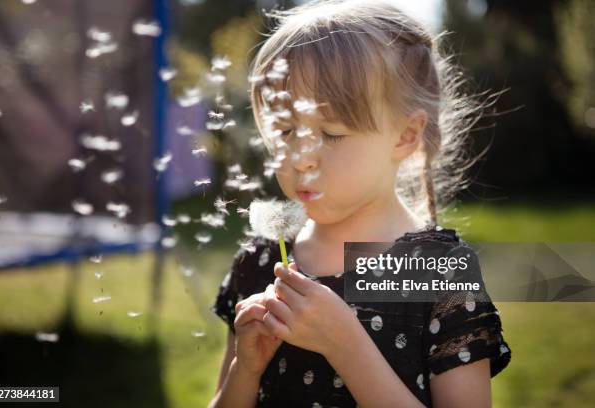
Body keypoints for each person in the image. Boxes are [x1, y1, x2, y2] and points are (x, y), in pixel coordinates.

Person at [208, 0, 511, 406]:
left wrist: (346, 345)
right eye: (283, 130)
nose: (300, 157)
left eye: (330, 133)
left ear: (404, 136)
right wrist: (244, 369)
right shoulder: (260, 262)